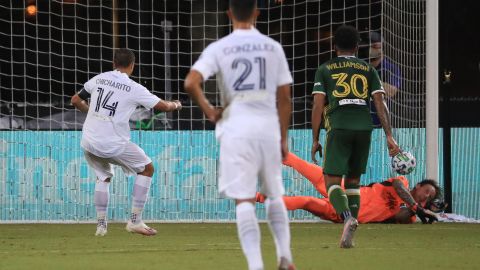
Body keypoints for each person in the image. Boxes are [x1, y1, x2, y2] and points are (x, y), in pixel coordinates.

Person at [184, 1, 295, 269]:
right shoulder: (273, 47)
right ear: (257, 12)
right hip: (267, 127)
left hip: (236, 129)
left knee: (244, 200)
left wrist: (210, 111)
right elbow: (284, 98)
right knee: (274, 195)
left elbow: (190, 82)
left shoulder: (219, 47)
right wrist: (283, 137)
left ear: (229, 14)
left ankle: (256, 266)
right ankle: (285, 257)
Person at [70, 48, 182, 237]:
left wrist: (90, 111)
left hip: (89, 140)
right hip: (111, 143)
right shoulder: (134, 88)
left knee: (103, 177)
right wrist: (176, 104)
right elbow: (163, 107)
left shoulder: (98, 79)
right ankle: (135, 221)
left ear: (114, 63)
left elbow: (75, 100)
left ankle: (101, 226)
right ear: (132, 65)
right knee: (147, 168)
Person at [311, 25, 401, 248]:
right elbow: (380, 103)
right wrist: (389, 135)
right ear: (357, 46)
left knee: (332, 180)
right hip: (364, 127)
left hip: (339, 127)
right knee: (353, 181)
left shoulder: (325, 68)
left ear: (334, 47)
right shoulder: (368, 69)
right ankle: (350, 231)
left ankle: (347, 218)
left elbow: (317, 104)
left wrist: (315, 138)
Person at [256, 152, 440, 224]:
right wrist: (417, 207)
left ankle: (257, 197)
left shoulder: (410, 216)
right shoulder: (402, 183)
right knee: (303, 165)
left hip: (346, 213)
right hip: (345, 189)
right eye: (427, 191)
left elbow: (395, 218)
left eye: (430, 197)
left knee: (307, 201)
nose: (427, 196)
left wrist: (419, 210)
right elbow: (399, 187)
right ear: (418, 185)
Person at [367, 31, 403, 127]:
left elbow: (391, 92)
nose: (374, 50)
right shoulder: (359, 66)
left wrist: (369, 79)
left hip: (383, 124)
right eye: (372, 47)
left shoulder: (391, 68)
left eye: (376, 46)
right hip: (361, 123)